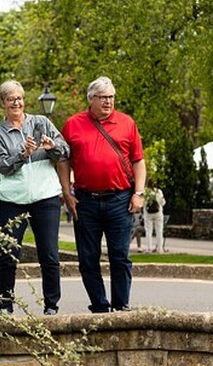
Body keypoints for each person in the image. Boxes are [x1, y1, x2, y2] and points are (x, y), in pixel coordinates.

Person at [58, 76, 146, 313]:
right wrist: (66, 193)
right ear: (91, 99)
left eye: (111, 97)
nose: (108, 102)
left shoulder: (127, 123)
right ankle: (99, 305)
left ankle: (120, 306)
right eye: (103, 97)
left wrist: (138, 192)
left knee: (120, 256)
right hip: (85, 201)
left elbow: (138, 161)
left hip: (119, 200)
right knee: (88, 259)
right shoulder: (73, 124)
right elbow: (63, 161)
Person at [0, 80, 69, 316]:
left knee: (50, 255)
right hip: (13, 201)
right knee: (8, 256)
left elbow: (65, 150)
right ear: (3, 103)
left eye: (19, 98)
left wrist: (52, 146)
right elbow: (1, 166)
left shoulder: (41, 122)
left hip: (45, 198)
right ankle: (5, 306)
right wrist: (23, 154)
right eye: (11, 99)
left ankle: (51, 306)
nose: (17, 102)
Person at [143, 187, 166, 253]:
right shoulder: (158, 191)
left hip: (148, 214)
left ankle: (149, 248)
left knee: (148, 231)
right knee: (159, 231)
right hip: (158, 213)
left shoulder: (145, 192)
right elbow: (163, 203)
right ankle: (159, 249)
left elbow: (143, 203)